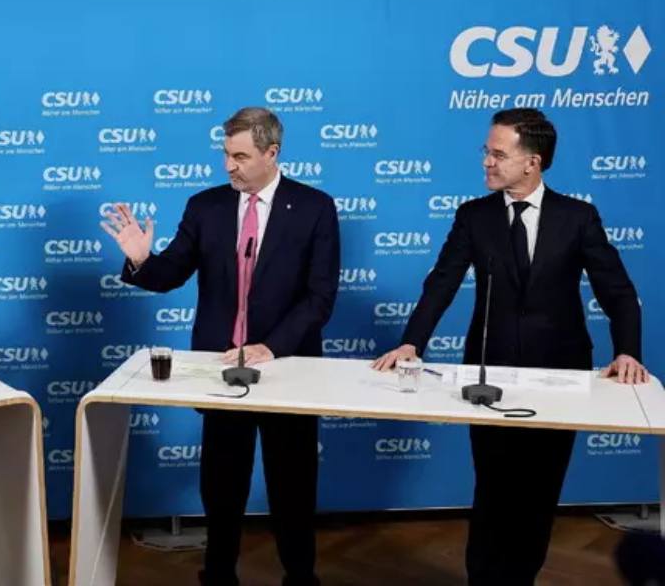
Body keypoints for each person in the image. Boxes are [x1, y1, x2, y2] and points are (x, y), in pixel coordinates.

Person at [372, 107, 647, 585]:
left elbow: (618, 292)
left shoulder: (577, 217)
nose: (487, 162)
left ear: (532, 162)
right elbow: (441, 283)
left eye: (498, 154)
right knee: (493, 489)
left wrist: (627, 351)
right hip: (489, 374)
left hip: (561, 374)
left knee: (539, 492)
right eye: (487, 151)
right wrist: (412, 342)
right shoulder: (473, 216)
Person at [102, 107, 340, 586]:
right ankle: (218, 574)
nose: (229, 166)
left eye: (240, 157)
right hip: (220, 369)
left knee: (292, 486)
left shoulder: (314, 207)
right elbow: (170, 273)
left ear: (272, 153)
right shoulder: (205, 206)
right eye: (226, 154)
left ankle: (300, 576)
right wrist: (142, 260)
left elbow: (319, 297)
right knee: (222, 485)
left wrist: (271, 346)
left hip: (287, 368)